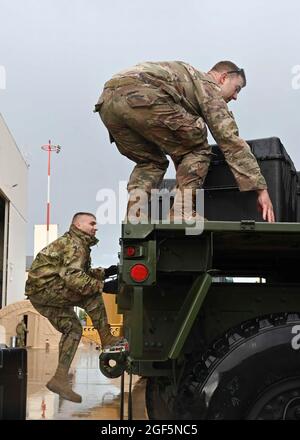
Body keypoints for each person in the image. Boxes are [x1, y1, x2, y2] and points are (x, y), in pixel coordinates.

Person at [95, 60, 275, 223]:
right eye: (237, 89)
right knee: (198, 149)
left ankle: (135, 215)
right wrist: (261, 190)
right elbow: (229, 139)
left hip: (107, 102)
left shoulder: (185, 79)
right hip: (142, 94)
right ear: (223, 78)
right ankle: (182, 211)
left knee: (151, 161)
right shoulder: (208, 85)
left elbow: (176, 141)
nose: (235, 97)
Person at [25, 212, 125, 403]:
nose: (95, 227)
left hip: (39, 294)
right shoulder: (75, 244)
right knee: (91, 293)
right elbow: (74, 279)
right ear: (78, 225)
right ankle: (107, 339)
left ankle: (59, 379)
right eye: (92, 223)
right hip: (46, 289)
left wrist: (107, 272)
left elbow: (81, 273)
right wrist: (104, 286)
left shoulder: (76, 244)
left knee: (73, 328)